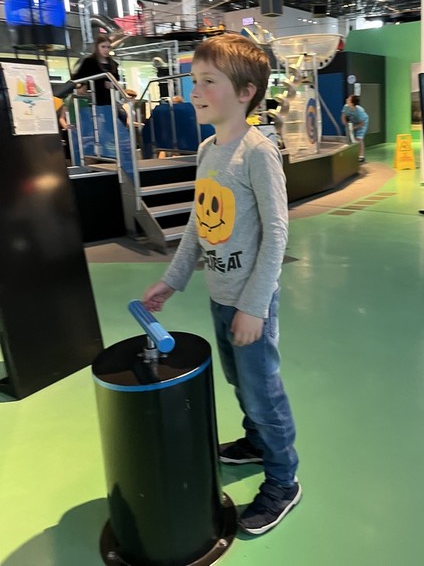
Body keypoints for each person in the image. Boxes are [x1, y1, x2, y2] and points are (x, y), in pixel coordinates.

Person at [142, 34, 300, 536]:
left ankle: (283, 480)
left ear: (246, 92)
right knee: (239, 380)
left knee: (263, 391)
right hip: (220, 296)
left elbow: (277, 234)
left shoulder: (258, 153)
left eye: (208, 81)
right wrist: (172, 280)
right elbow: (198, 223)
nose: (195, 91)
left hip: (250, 303)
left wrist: (254, 306)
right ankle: (256, 441)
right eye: (194, 80)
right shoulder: (208, 150)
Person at [342, 94, 369, 162]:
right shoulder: (346, 107)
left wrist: (353, 128)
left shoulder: (360, 111)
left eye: (348, 99)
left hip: (362, 122)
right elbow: (343, 116)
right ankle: (352, 155)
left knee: (359, 138)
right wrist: (345, 125)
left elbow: (362, 123)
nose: (346, 99)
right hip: (353, 121)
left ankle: (361, 156)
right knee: (350, 138)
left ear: (352, 103)